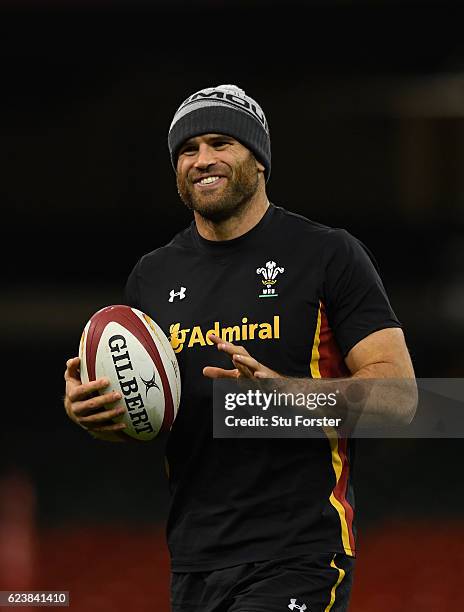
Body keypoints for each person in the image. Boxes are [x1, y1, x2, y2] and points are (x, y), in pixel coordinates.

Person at [64, 84, 417, 612]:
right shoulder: (152, 275)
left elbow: (403, 401)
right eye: (187, 149)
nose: (202, 159)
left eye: (220, 142)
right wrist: (98, 410)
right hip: (193, 560)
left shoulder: (328, 254)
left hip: (301, 551)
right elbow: (155, 409)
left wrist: (287, 395)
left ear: (259, 158)